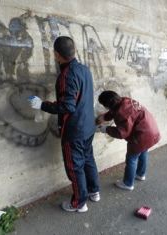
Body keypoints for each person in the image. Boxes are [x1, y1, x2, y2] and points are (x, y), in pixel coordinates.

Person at [29, 36, 99, 213]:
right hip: (88, 126)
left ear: (56, 54)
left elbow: (68, 105)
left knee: (75, 167)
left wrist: (42, 104)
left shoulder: (66, 76)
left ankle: (79, 203)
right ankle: (94, 191)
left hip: (74, 130)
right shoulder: (85, 70)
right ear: (74, 51)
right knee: (88, 159)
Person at [97, 90, 161, 191]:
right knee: (143, 153)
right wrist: (104, 117)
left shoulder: (121, 112)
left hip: (141, 135)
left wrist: (105, 129)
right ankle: (140, 174)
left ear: (107, 104)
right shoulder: (124, 101)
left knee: (131, 160)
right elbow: (116, 111)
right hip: (151, 131)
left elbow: (122, 133)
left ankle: (128, 183)